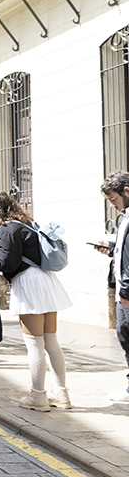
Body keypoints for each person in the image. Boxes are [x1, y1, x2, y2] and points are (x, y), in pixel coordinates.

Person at [0, 191, 72, 411]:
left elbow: (5, 262)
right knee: (51, 342)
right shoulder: (25, 223)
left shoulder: (7, 228)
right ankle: (62, 394)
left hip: (29, 284)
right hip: (45, 280)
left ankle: (38, 396)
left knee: (34, 343)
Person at [98, 171, 129, 402]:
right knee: (124, 336)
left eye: (113, 199)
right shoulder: (126, 215)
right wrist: (111, 248)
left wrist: (126, 290)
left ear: (126, 192)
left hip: (127, 291)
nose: (112, 205)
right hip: (122, 290)